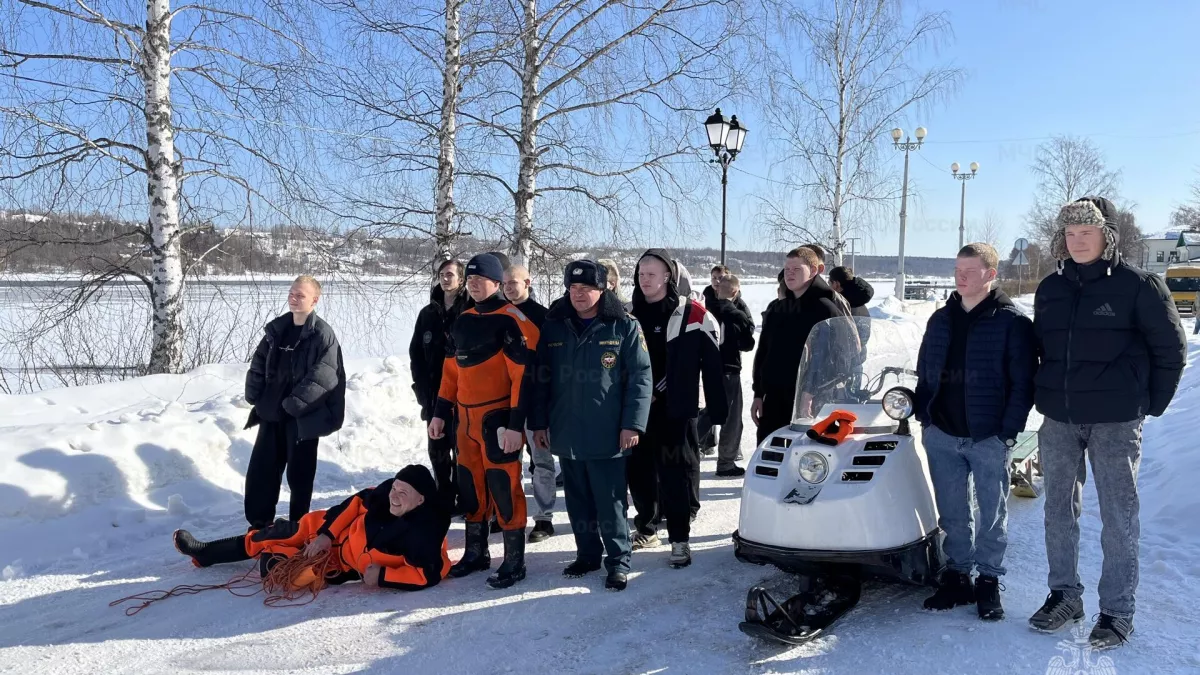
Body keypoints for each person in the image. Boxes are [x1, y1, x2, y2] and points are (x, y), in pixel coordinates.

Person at [1028, 196, 1186, 648]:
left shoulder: (1139, 286)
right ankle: (1064, 594)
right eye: (1070, 234)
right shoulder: (1050, 288)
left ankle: (1117, 610)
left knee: (1118, 516)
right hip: (1059, 418)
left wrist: (1147, 404)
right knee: (1058, 509)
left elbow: (1171, 350)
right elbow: (1042, 348)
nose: (1078, 242)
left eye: (1087, 234)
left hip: (1116, 420)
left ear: (1106, 237)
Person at [913, 243, 1037, 621]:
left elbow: (1023, 383)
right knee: (952, 514)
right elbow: (925, 371)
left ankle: (988, 581)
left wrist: (1007, 432)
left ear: (991, 274)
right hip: (943, 435)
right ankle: (957, 576)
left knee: (993, 515)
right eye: (956, 270)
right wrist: (926, 415)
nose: (960, 277)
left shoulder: (1012, 322)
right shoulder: (940, 319)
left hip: (988, 437)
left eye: (969, 270)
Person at [529, 260, 652, 591]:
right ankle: (587, 555)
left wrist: (632, 425)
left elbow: (640, 378)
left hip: (607, 432)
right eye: (573, 289)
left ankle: (618, 562)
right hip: (566, 430)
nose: (579, 295)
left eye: (587, 289)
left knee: (610, 502)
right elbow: (540, 379)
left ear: (604, 289)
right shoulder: (555, 325)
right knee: (577, 499)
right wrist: (538, 423)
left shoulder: (623, 326)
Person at [428, 253, 540, 589]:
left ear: (496, 283)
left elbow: (524, 378)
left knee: (504, 486)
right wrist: (439, 413)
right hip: (464, 420)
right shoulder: (463, 320)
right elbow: (450, 373)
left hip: (498, 419)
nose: (474, 284)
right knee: (469, 486)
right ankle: (476, 552)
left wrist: (516, 425)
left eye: (482, 279)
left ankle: (514, 560)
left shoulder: (513, 319)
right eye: (471, 279)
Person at [174, 465, 451, 592]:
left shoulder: (426, 536)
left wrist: (383, 576)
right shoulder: (381, 496)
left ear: (421, 500)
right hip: (324, 529)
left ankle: (274, 556)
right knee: (274, 534)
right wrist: (325, 535)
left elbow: (428, 574)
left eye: (404, 493)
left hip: (336, 565)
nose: (395, 495)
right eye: (396, 488)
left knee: (283, 574)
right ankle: (205, 553)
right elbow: (354, 504)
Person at [628, 249, 727, 568]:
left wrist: (717, 410)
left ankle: (680, 539)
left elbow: (712, 364)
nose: (645, 279)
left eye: (651, 274)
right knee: (639, 474)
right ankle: (646, 526)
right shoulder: (627, 313)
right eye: (641, 274)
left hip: (676, 410)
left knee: (676, 476)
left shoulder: (693, 313)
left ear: (668, 276)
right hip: (636, 412)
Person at [243, 276, 347, 530]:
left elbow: (324, 376)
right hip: (271, 413)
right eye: (291, 293)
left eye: (300, 295)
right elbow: (259, 362)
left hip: (302, 418)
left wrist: (293, 404)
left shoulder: (322, 334)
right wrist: (255, 395)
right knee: (262, 470)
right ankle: (259, 523)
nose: (294, 298)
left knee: (299, 476)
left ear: (314, 300)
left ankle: (298, 525)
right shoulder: (278, 329)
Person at [752, 247, 848, 443]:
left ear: (814, 270)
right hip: (774, 400)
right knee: (770, 454)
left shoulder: (826, 309)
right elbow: (763, 354)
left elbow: (840, 359)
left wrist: (811, 391)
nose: (789, 274)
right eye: (786, 269)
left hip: (811, 402)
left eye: (796, 269)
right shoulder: (777, 309)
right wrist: (758, 393)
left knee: (806, 459)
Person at [410, 259, 470, 512]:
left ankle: (465, 497)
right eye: (442, 274)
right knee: (437, 448)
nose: (446, 279)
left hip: (464, 394)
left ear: (462, 279)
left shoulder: (470, 308)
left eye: (451, 275)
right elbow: (416, 355)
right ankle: (444, 495)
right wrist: (422, 392)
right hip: (434, 394)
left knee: (463, 449)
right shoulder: (428, 313)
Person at [502, 264, 555, 543]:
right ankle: (510, 515)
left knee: (541, 461)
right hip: (505, 402)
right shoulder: (497, 314)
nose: (509, 288)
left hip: (535, 401)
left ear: (528, 282)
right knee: (508, 461)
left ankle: (544, 518)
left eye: (514, 283)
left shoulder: (542, 317)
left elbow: (550, 364)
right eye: (505, 284)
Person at [701, 274, 755, 477]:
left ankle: (683, 446)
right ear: (735, 291)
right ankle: (725, 462)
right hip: (729, 368)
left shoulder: (706, 309)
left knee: (709, 411)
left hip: (707, 367)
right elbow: (747, 343)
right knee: (731, 418)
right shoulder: (735, 313)